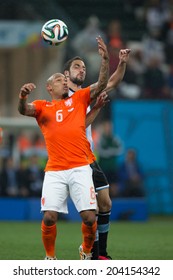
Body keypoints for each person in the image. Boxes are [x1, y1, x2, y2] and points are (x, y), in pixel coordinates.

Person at [18, 36, 109, 260]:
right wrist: (22, 96)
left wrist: (105, 60)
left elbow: (103, 83)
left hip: (80, 167)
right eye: (59, 79)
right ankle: (50, 257)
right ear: (49, 87)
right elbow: (23, 110)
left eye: (63, 78)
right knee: (49, 217)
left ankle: (86, 252)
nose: (63, 81)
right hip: (56, 169)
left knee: (90, 217)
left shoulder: (78, 99)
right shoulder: (42, 107)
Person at [63, 48, 131, 259]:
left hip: (89, 156)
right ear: (66, 75)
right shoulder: (62, 98)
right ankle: (92, 251)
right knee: (91, 211)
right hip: (73, 160)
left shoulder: (84, 95)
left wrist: (121, 64)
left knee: (105, 203)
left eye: (84, 67)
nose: (82, 70)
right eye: (76, 66)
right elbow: (77, 126)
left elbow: (111, 84)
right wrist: (97, 109)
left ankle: (98, 252)